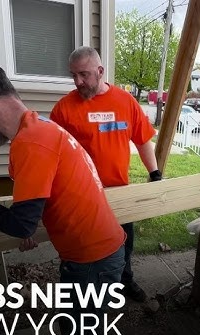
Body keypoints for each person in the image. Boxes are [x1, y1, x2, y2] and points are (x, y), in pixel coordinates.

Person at [0, 58, 125, 335]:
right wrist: (28, 219)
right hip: (98, 252)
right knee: (79, 333)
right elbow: (47, 198)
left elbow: (21, 226)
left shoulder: (30, 143)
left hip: (92, 260)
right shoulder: (41, 126)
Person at [50, 46, 162, 302]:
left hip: (119, 192)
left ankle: (125, 281)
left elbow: (143, 140)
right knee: (87, 249)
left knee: (125, 243)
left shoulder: (125, 102)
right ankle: (91, 292)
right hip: (82, 197)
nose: (78, 81)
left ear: (100, 71)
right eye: (74, 75)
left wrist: (154, 172)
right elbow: (53, 155)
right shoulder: (63, 110)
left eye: (84, 74)